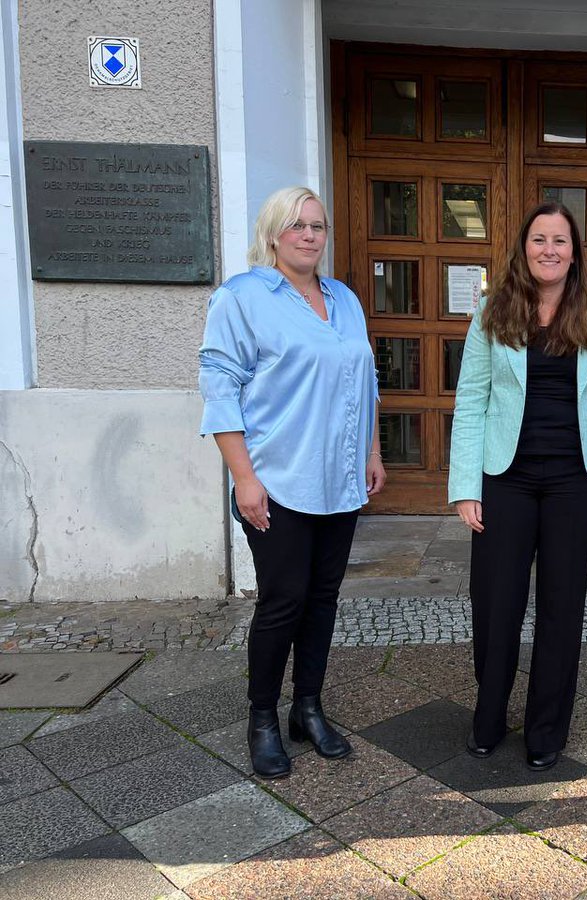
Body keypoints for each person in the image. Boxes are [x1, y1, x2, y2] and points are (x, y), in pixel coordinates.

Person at [198, 186, 385, 779]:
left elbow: (365, 378)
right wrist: (243, 478)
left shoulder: (345, 299)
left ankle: (308, 706)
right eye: (297, 225)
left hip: (340, 479)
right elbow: (219, 386)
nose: (309, 235)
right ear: (273, 232)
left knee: (324, 599)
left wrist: (373, 450)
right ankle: (262, 718)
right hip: (277, 478)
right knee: (283, 601)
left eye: (318, 226)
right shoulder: (244, 297)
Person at [449, 201, 587, 771]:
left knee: (561, 607)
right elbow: (471, 401)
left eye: (559, 240)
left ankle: (547, 730)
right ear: (523, 249)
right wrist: (464, 484)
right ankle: (490, 715)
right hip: (506, 477)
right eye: (538, 239)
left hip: (577, 481)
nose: (548, 249)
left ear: (574, 252)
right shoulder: (491, 314)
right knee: (496, 603)